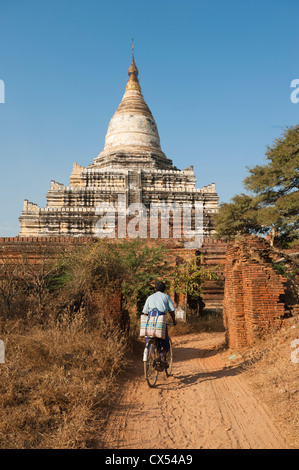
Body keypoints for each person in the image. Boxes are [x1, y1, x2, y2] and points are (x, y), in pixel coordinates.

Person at [142, 280, 177, 366]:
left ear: (155, 289)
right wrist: (174, 321)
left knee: (149, 339)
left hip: (150, 321)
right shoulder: (166, 297)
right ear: (164, 289)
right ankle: (162, 356)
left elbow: (145, 313)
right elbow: (172, 311)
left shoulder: (149, 297)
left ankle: (154, 358)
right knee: (165, 340)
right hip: (161, 321)